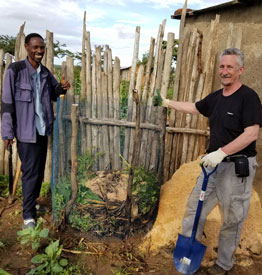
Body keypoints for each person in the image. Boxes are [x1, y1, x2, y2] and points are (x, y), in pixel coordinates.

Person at [153, 48, 262, 275]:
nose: (224, 71)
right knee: (194, 209)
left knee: (232, 218)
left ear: (240, 70)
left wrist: (221, 152)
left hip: (235, 168)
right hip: (212, 166)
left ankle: (223, 264)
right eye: (222, 66)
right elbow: (194, 108)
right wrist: (166, 102)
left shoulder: (248, 98)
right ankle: (185, 251)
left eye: (229, 67)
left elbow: (251, 134)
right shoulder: (216, 97)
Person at [1, 33, 70, 229]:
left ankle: (31, 204)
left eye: (42, 48)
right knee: (30, 173)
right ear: (26, 47)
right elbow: (6, 103)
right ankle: (28, 216)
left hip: (42, 130)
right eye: (35, 47)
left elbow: (56, 93)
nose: (39, 51)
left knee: (38, 171)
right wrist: (7, 133)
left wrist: (63, 88)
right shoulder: (15, 70)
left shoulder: (46, 72)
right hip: (25, 132)